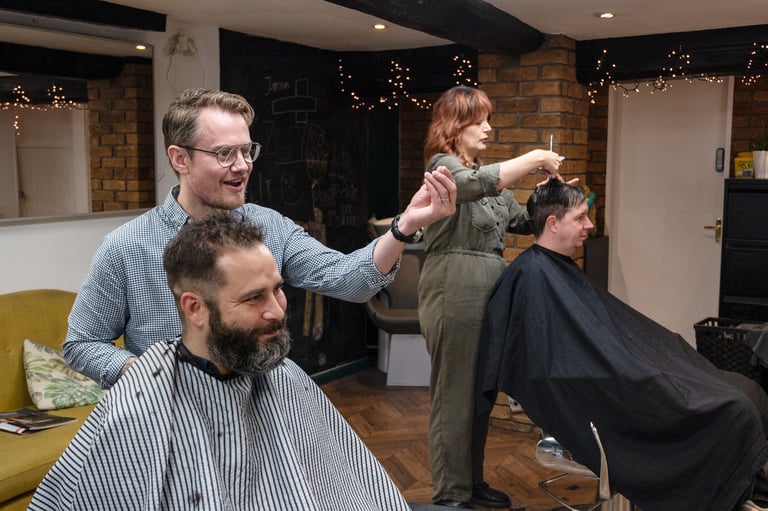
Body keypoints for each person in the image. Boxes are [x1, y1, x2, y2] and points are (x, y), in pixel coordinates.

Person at [30, 212, 449, 511]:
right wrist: (155, 379)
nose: (278, 311)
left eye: (278, 290)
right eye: (253, 298)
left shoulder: (282, 376)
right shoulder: (141, 399)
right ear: (194, 307)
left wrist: (404, 226)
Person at [63, 87, 456, 389]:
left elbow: (348, 280)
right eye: (224, 154)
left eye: (247, 150)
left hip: (258, 414)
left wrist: (404, 227)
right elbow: (81, 344)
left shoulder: (270, 227)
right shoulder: (127, 246)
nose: (243, 166)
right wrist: (147, 372)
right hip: (168, 425)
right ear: (180, 159)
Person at [476, 179, 768, 511]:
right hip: (611, 390)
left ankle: (744, 490)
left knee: (745, 391)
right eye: (581, 217)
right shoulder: (531, 277)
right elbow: (551, 366)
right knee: (734, 409)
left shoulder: (552, 269)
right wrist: (638, 371)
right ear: (553, 223)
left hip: (629, 372)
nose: (590, 225)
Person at [417, 85, 563, 509]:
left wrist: (554, 195)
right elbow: (470, 185)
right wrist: (533, 158)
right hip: (453, 289)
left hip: (488, 291)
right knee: (454, 396)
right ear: (454, 126)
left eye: (488, 120)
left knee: (478, 394)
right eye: (479, 121)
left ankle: (471, 482)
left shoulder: (487, 178)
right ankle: (450, 495)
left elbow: (521, 220)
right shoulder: (443, 167)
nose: (488, 128)